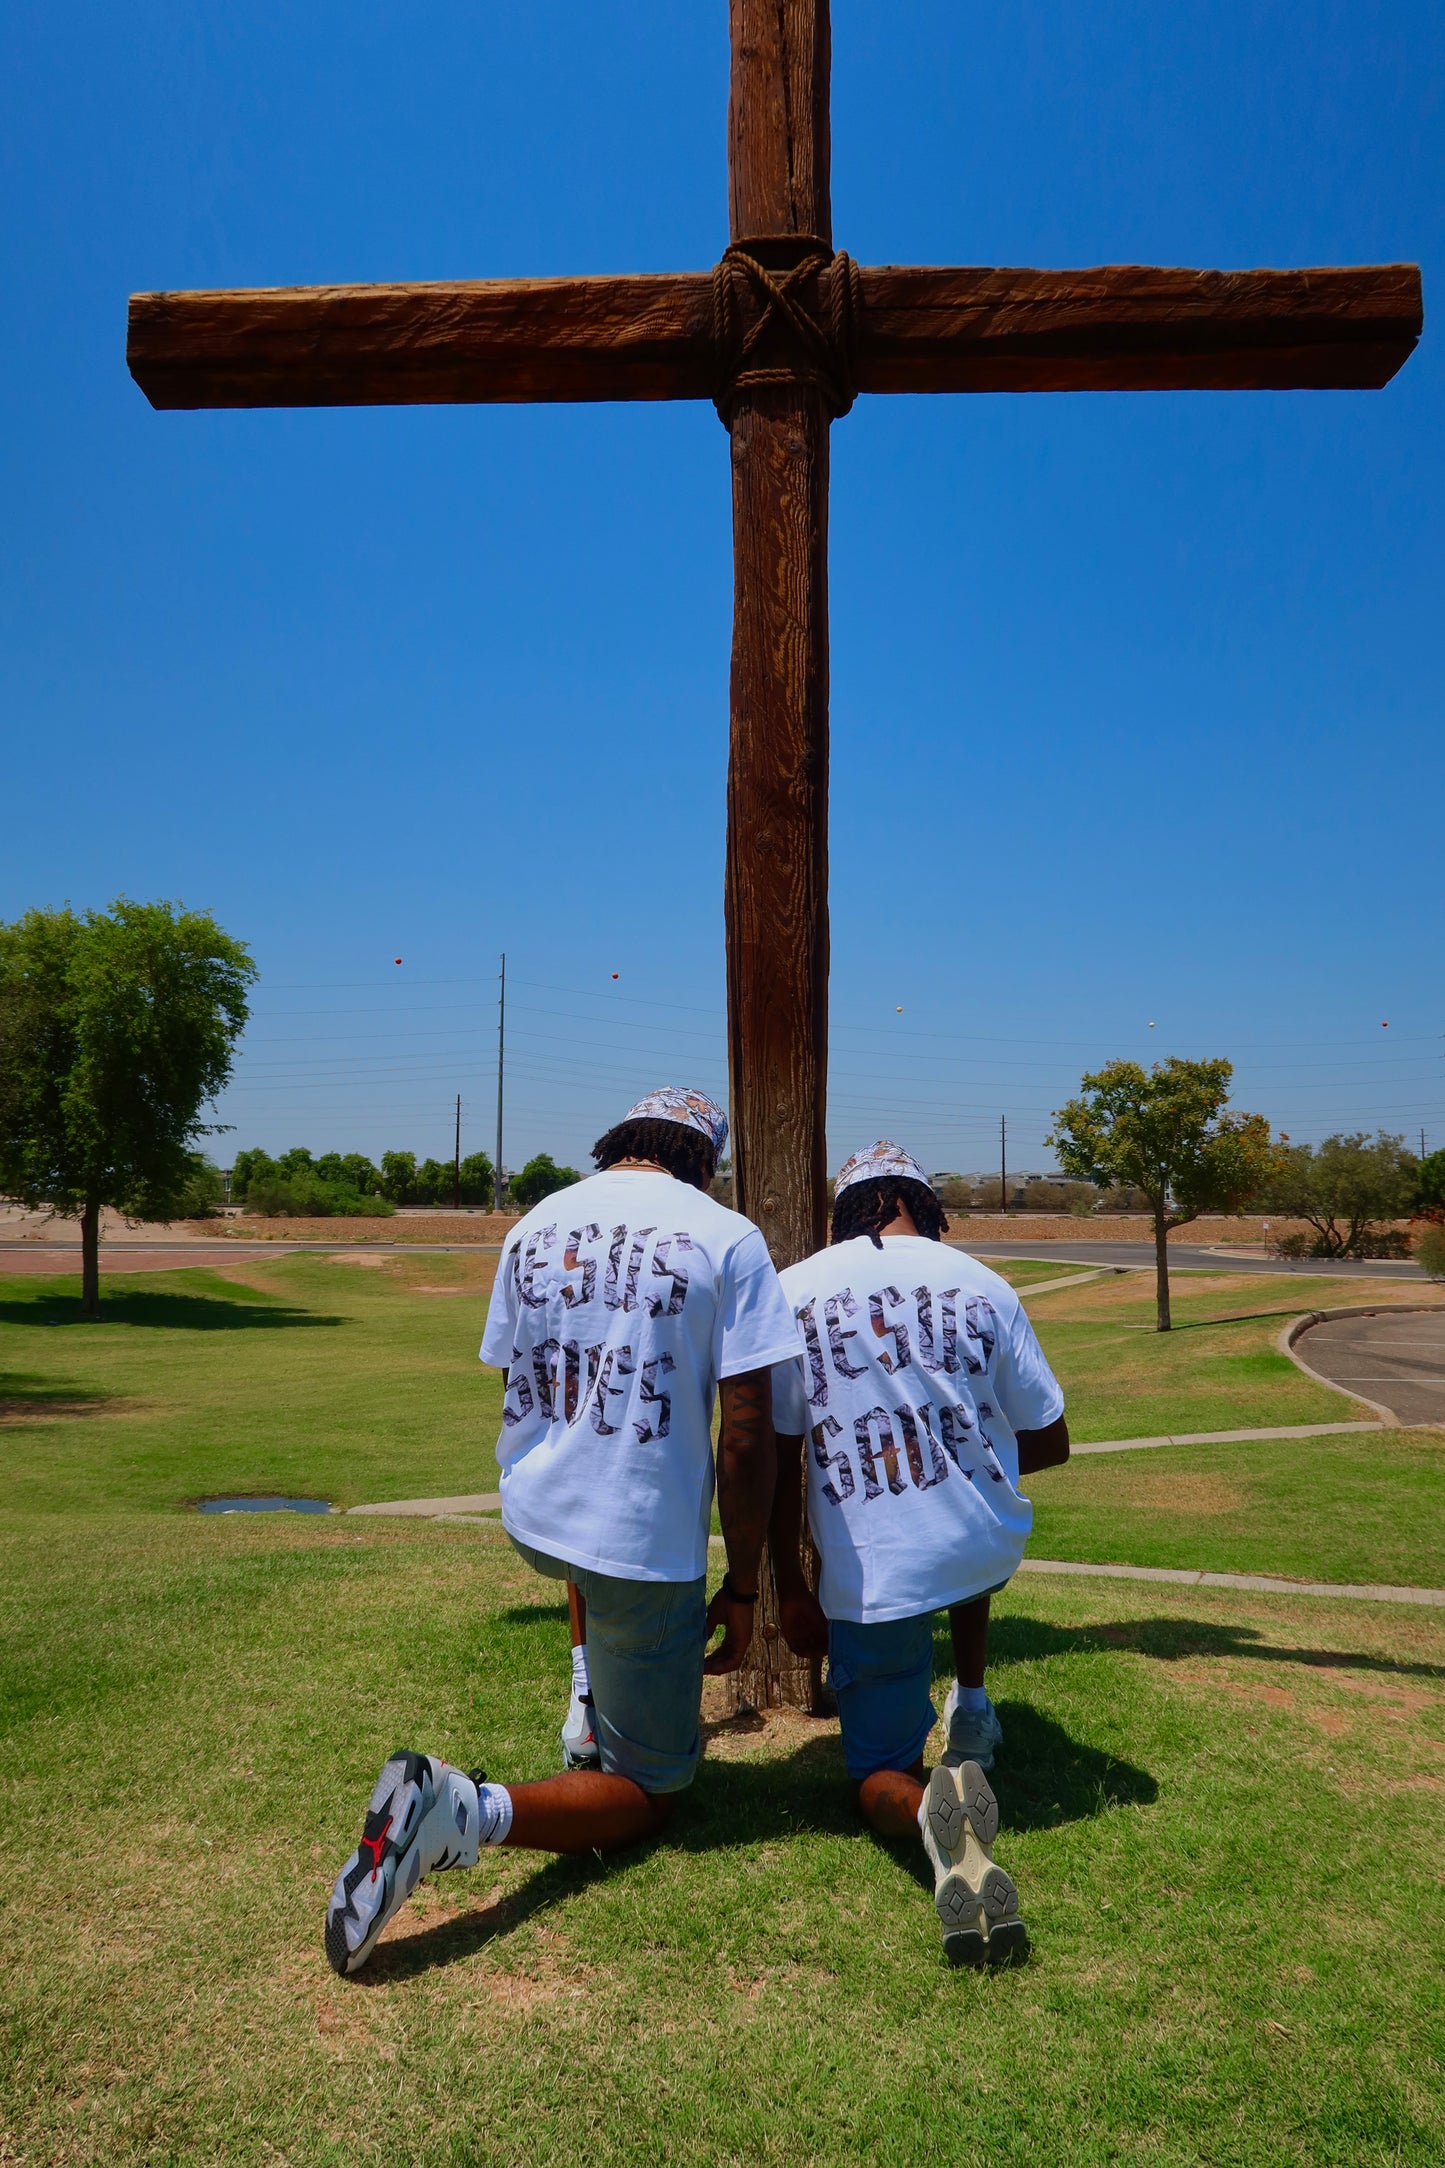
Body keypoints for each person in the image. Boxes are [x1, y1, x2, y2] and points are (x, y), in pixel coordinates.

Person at [325, 1088, 803, 1977]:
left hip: (536, 1515)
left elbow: (520, 1375)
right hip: (636, 1546)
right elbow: (745, 1436)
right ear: (703, 1160)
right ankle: (461, 1810)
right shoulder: (724, 1235)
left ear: (620, 1144)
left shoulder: (537, 1221)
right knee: (651, 1794)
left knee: (591, 1552)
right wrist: (744, 1586)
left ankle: (587, 1692)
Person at [769, 1142, 1069, 1967]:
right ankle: (970, 1705)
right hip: (980, 1544)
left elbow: (779, 1455)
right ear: (924, 1209)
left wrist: (789, 1582)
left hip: (875, 1568)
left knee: (872, 1774)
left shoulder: (794, 1290)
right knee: (957, 1526)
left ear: (843, 1215)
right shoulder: (982, 1282)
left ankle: (926, 1805)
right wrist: (963, 1469)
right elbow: (1050, 1438)